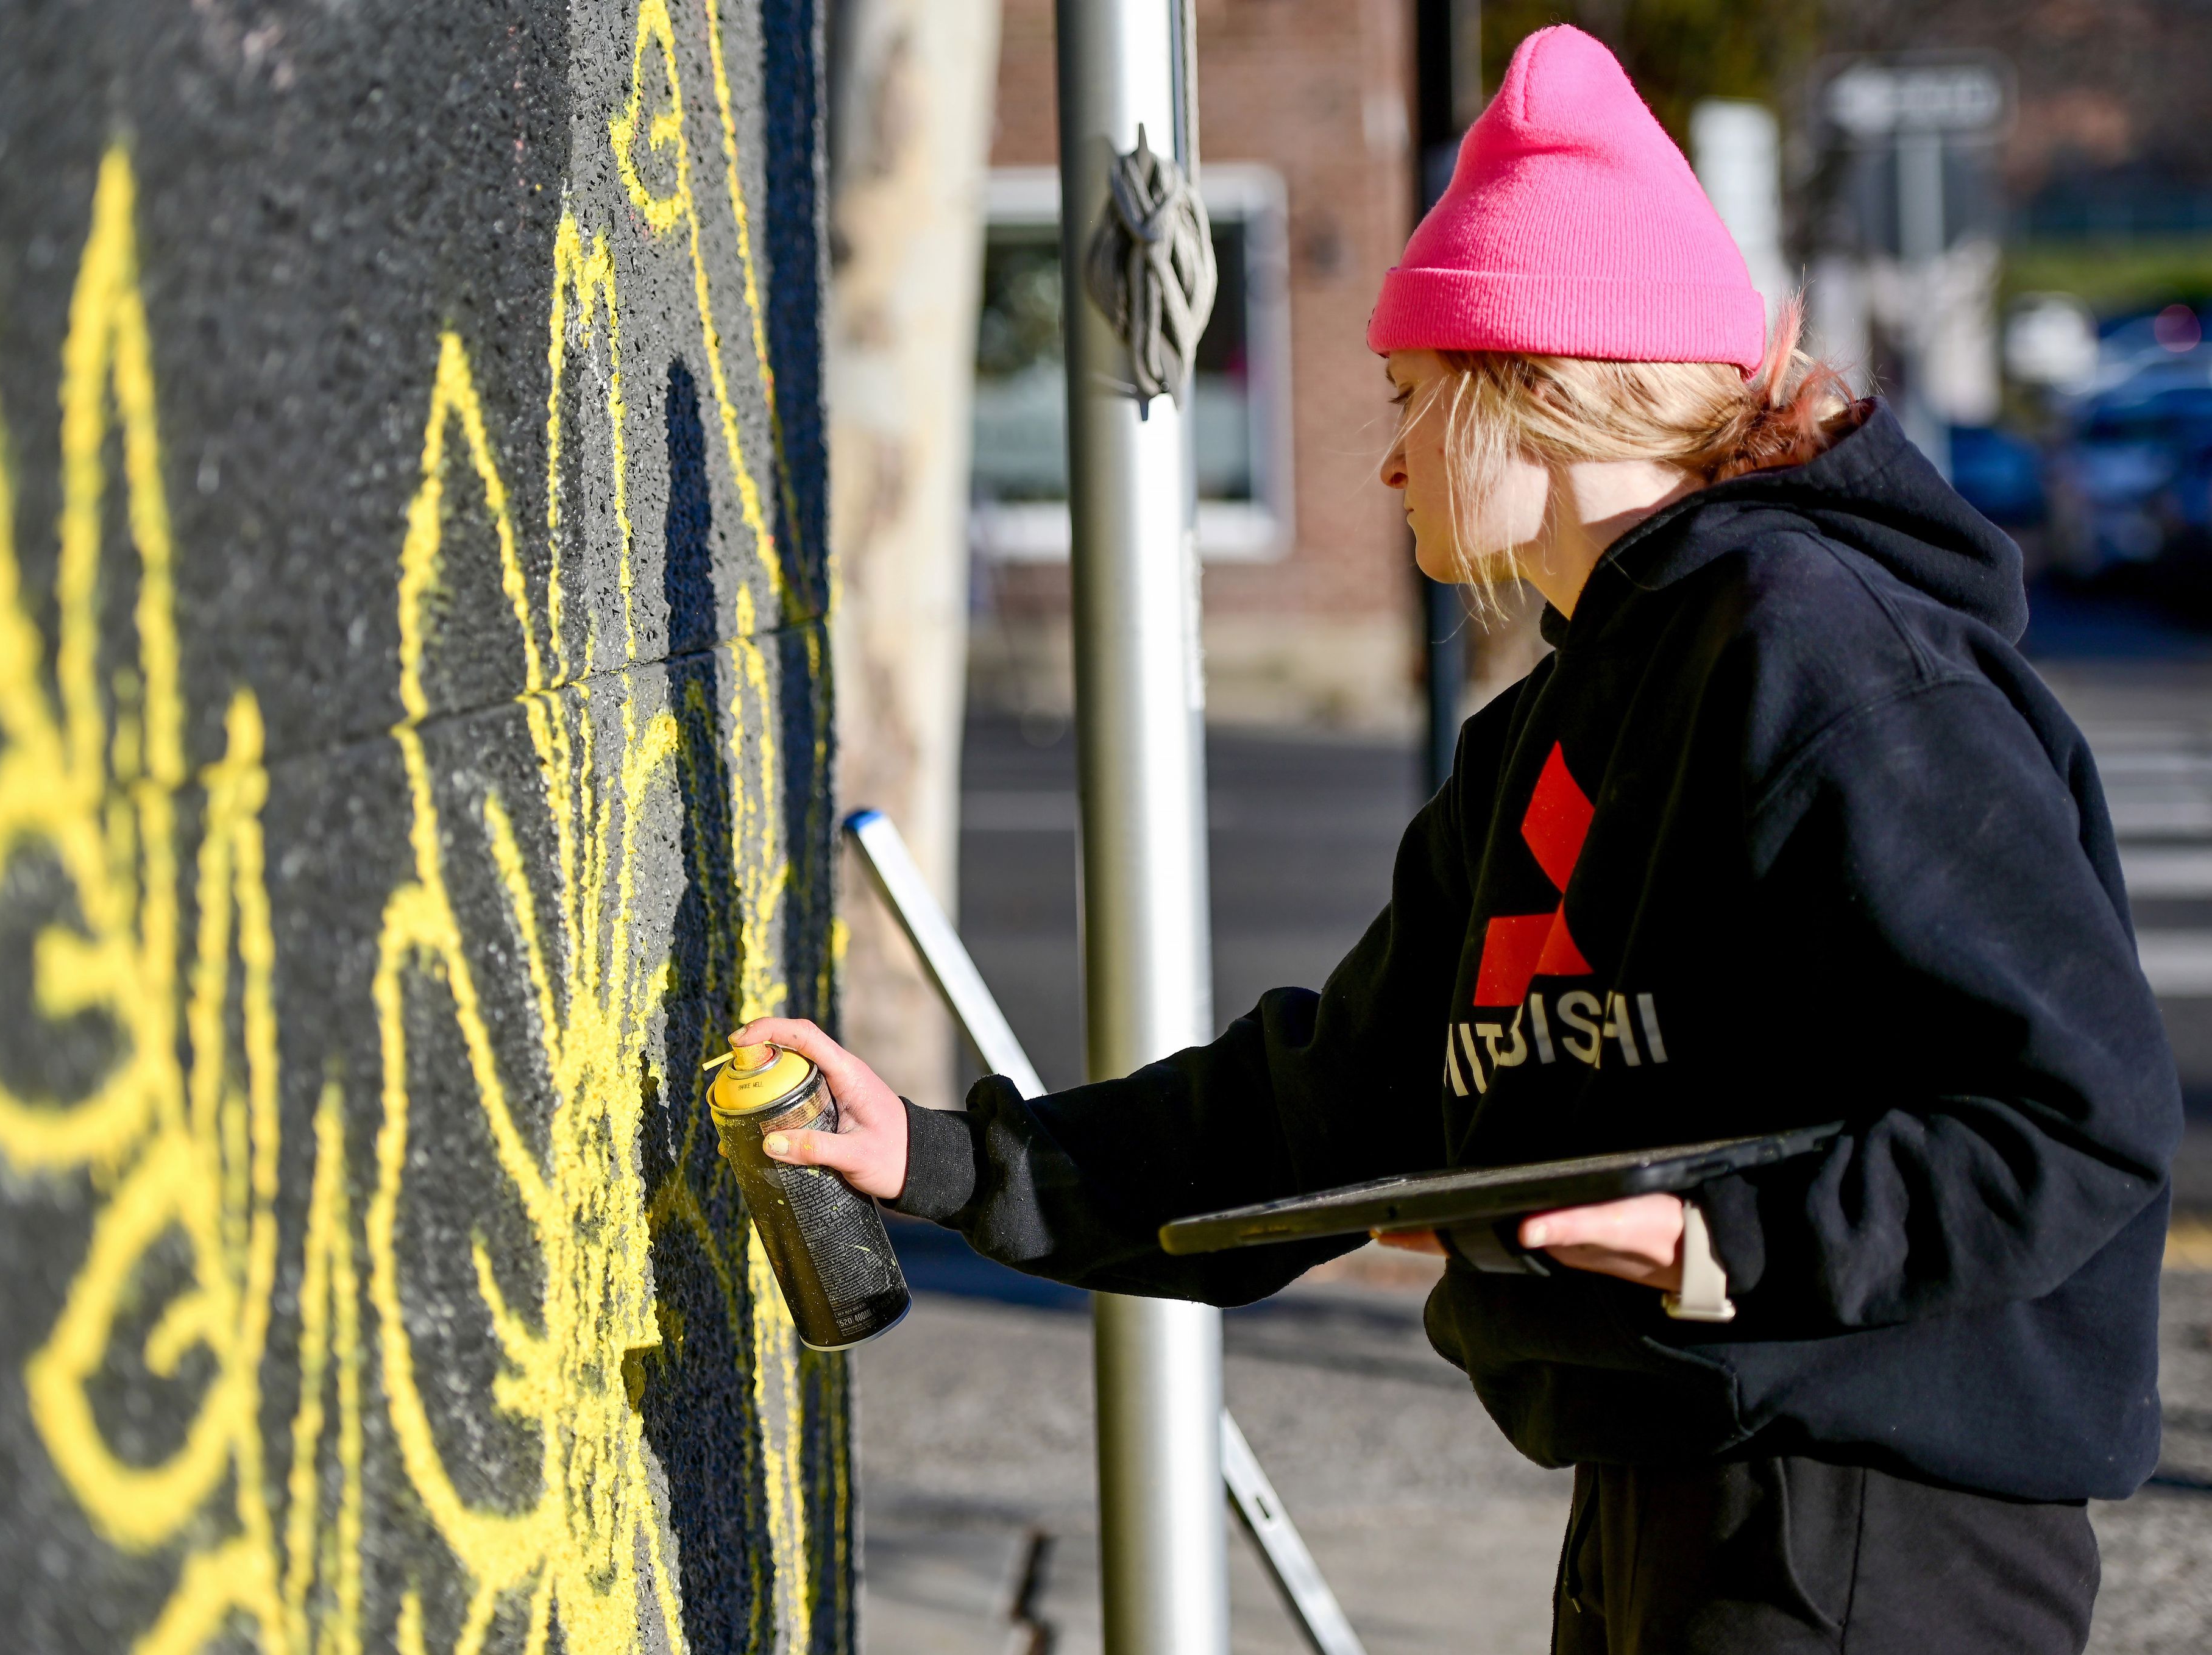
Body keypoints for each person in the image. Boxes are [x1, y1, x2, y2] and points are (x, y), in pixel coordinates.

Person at [742, 26, 2178, 1655]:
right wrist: (942, 1158)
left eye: (1419, 395)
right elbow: (1332, 1104)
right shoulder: (1558, 728)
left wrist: (1731, 1240)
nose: (1391, 454)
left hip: (1865, 1524)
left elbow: (2072, 1114)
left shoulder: (1826, 658)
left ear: (1545, 390)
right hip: (1666, 1495)